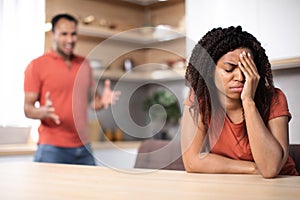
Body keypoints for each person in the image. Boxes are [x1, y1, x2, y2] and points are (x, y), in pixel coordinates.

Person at [181, 26, 298, 178]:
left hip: (282, 183)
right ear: (209, 71)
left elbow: (270, 169)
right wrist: (254, 169)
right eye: (229, 69)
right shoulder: (199, 99)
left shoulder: (274, 98)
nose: (240, 77)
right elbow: (192, 161)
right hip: (236, 181)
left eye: (247, 69)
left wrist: (248, 102)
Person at [24, 13, 120, 165]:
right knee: (49, 190)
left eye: (73, 34)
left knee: (92, 189)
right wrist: (42, 112)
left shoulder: (84, 64)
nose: (70, 39)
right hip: (52, 148)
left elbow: (92, 103)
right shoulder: (37, 65)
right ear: (52, 34)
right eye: (64, 34)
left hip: (84, 147)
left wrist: (102, 102)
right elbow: (28, 108)